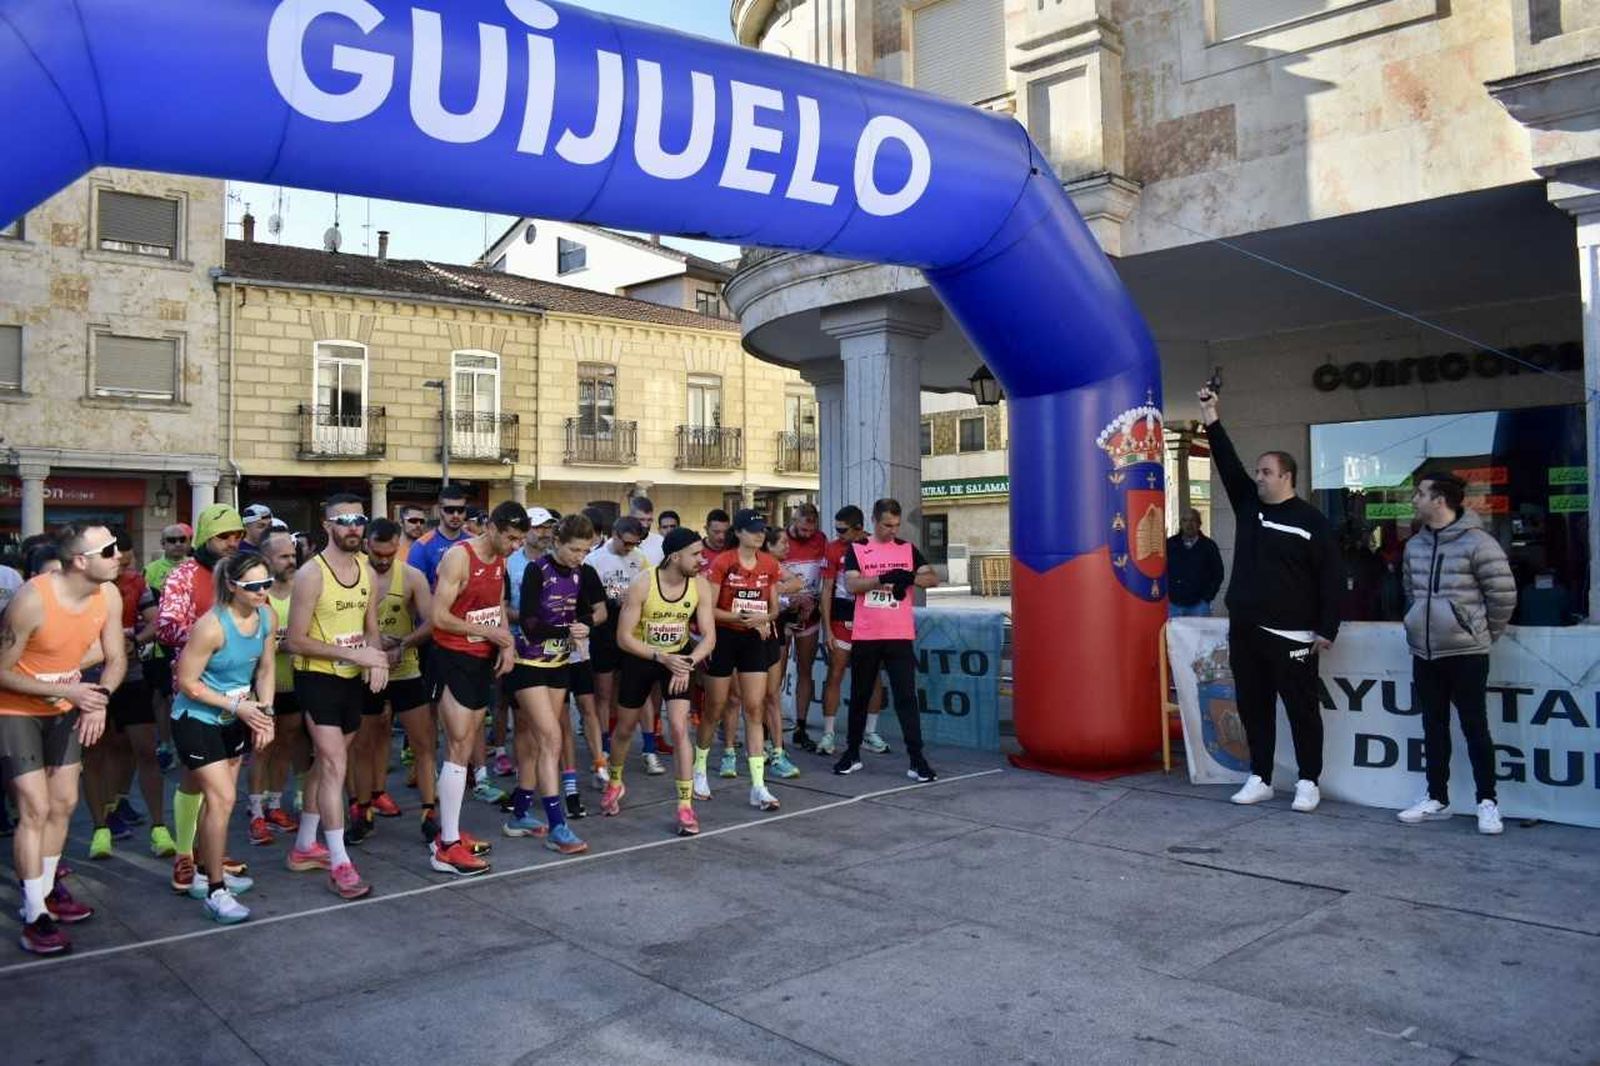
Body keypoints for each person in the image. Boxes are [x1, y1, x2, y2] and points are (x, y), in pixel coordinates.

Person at [1199, 386, 1341, 813]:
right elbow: (1226, 461)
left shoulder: (1310, 521)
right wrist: (1210, 416)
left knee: (1301, 711)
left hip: (1293, 634)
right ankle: (1259, 776)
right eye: (1257, 471)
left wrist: (1327, 628)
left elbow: (1332, 578)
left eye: (1266, 472)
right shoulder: (1248, 507)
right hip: (1245, 629)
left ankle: (1308, 782)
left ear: (1286, 477)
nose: (1258, 477)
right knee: (1253, 708)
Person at [0, 525, 125, 953]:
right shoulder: (32, 599)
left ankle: (49, 886)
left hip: (64, 707)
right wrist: (71, 691)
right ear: (80, 561)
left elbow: (115, 657)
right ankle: (34, 913)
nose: (119, 555)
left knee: (64, 802)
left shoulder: (108, 594)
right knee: (34, 808)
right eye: (109, 549)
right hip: (15, 709)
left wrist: (99, 699)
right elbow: (1, 670)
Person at [1398, 472, 1516, 834]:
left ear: (1440, 500)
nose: (1414, 500)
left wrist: (1480, 634)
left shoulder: (1478, 543)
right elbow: (1409, 590)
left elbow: (1503, 595)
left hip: (1467, 653)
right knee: (1432, 728)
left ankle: (1487, 802)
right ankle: (1437, 797)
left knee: (1474, 727)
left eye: (1420, 493)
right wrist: (1417, 623)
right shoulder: (1414, 545)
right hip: (1425, 653)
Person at [284, 494, 388, 899]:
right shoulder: (311, 574)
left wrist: (376, 659)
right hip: (318, 678)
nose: (353, 527)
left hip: (351, 679)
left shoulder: (365, 568)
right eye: (343, 520)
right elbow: (294, 640)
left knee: (325, 767)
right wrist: (353, 654)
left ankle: (304, 846)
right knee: (334, 765)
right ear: (327, 525)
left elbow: (370, 623)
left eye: (358, 519)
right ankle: (340, 861)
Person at [171, 552, 277, 923]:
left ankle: (203, 870)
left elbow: (265, 670)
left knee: (221, 803)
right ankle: (216, 891)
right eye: (253, 586)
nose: (263, 591)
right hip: (197, 717)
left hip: (236, 716)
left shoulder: (267, 615)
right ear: (232, 586)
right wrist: (238, 708)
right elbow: (186, 681)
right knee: (223, 799)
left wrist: (265, 714)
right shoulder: (211, 626)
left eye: (267, 584)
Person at [428, 501, 529, 875]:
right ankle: (446, 848)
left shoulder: (500, 557)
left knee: (468, 742)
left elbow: (496, 606)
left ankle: (451, 833)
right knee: (457, 745)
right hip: (453, 658)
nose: (517, 546)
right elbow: (438, 616)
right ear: (492, 528)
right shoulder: (460, 557)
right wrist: (494, 634)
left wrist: (508, 645)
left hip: (481, 657)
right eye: (512, 538)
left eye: (521, 540)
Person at [157, 505, 249, 893]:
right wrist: (212, 636)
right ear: (204, 539)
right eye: (224, 536)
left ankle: (211, 852)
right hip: (197, 690)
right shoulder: (183, 575)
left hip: (238, 691)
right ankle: (184, 855)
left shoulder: (242, 575)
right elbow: (166, 627)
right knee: (195, 776)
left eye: (238, 536)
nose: (232, 543)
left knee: (228, 777)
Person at [502, 513, 598, 854]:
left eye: (585, 550)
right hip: (528, 664)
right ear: (557, 543)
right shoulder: (536, 570)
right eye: (574, 549)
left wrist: (584, 625)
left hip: (559, 664)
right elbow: (528, 621)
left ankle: (521, 813)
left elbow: (588, 611)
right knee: (551, 738)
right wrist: (566, 631)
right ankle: (558, 826)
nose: (579, 557)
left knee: (532, 739)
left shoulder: (581, 572)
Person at [611, 527, 717, 833]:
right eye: (695, 554)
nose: (702, 559)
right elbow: (623, 638)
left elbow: (709, 637)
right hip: (644, 657)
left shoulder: (701, 585)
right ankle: (615, 781)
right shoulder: (644, 583)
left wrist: (687, 662)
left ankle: (685, 806)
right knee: (625, 728)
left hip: (679, 659)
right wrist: (661, 657)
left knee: (681, 728)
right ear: (675, 556)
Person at [831, 499, 940, 782]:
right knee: (860, 695)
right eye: (886, 525)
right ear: (874, 521)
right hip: (867, 634)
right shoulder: (857, 549)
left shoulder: (906, 548)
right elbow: (853, 585)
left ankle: (917, 759)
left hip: (899, 635)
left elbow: (933, 579)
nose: (892, 530)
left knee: (906, 697)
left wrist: (910, 577)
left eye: (896, 525)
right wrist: (883, 578)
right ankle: (852, 753)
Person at [87, 536, 170, 860]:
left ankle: (159, 828)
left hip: (132, 675)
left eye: (125, 563)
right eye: (115, 561)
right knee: (97, 750)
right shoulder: (84, 585)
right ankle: (100, 829)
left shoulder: (137, 583)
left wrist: (135, 638)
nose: (119, 567)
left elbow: (156, 621)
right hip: (91, 679)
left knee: (144, 749)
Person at [696, 508, 784, 812]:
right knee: (715, 707)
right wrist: (740, 617)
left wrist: (762, 618)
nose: (760, 535)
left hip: (753, 639)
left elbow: (774, 610)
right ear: (739, 533)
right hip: (724, 637)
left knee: (755, 708)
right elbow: (707, 608)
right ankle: (699, 769)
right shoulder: (723, 561)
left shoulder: (770, 563)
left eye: (763, 530)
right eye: (753, 530)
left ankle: (758, 786)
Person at [353, 519, 434, 842]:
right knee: (363, 744)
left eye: (390, 553)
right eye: (377, 553)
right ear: (365, 545)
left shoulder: (411, 576)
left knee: (424, 743)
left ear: (398, 545)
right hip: (365, 670)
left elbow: (431, 622)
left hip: (404, 668)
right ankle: (362, 810)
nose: (384, 560)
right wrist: (367, 647)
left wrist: (404, 644)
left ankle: (431, 813)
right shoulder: (351, 576)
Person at [245, 531, 308, 845]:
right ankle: (255, 812)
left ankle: (274, 806)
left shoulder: (302, 590)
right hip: (262, 685)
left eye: (293, 555)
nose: (291, 561)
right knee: (262, 748)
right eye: (284, 556)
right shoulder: (257, 594)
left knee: (285, 744)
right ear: (266, 560)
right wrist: (274, 645)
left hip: (294, 681)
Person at [583, 517, 650, 785]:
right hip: (604, 632)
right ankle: (604, 748)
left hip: (632, 630)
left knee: (638, 688)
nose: (629, 549)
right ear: (614, 534)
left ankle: (649, 747)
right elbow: (587, 599)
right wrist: (611, 600)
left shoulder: (641, 558)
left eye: (635, 544)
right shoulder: (594, 560)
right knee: (604, 692)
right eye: (626, 543)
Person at [818, 506, 882, 755]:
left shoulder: (875, 544)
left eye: (842, 530)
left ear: (858, 528)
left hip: (870, 617)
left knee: (873, 677)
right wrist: (828, 631)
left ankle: (870, 732)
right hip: (842, 618)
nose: (838, 534)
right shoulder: (834, 548)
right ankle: (828, 734)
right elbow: (826, 590)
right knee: (835, 673)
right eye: (836, 529)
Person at [781, 503, 826, 752]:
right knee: (774, 673)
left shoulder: (821, 539)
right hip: (783, 611)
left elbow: (823, 579)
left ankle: (801, 726)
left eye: (811, 529)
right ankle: (769, 729)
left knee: (806, 669)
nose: (808, 534)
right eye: (802, 529)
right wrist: (789, 600)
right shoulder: (779, 539)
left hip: (810, 612)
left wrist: (813, 600)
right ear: (793, 520)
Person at [408, 485, 472, 591]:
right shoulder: (421, 546)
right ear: (439, 510)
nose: (456, 515)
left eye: (460, 510)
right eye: (450, 510)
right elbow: (414, 591)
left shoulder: (473, 541)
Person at [1167, 509, 1224, 617]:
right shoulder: (1169, 544)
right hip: (1173, 605)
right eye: (1185, 520)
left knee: (1200, 634)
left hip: (1199, 606)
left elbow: (1218, 573)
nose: (1189, 524)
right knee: (1172, 634)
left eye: (1193, 520)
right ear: (1180, 524)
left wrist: (1207, 597)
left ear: (1199, 524)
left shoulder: (1209, 546)